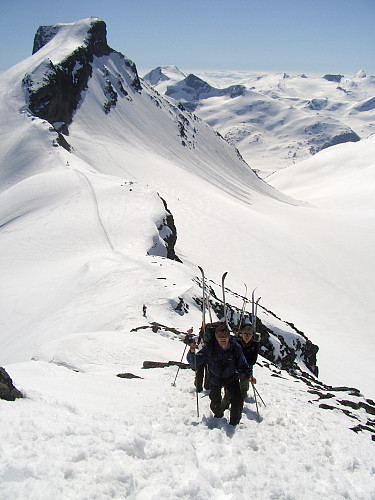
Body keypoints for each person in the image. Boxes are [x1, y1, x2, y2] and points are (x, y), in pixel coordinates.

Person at [186, 322, 253, 426]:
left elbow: (242, 362)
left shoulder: (235, 346)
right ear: (216, 337)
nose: (223, 339)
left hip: (231, 377)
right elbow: (195, 361)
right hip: (215, 378)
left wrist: (249, 375)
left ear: (228, 336)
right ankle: (218, 418)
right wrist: (191, 352)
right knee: (215, 403)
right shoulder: (210, 348)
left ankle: (234, 423)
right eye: (220, 336)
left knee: (238, 399)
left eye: (225, 336)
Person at [221, 325, 259, 410]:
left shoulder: (254, 345)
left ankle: (238, 406)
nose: (247, 336)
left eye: (249, 334)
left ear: (252, 335)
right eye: (245, 334)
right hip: (233, 368)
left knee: (243, 389)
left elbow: (253, 360)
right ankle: (224, 407)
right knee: (229, 390)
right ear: (241, 334)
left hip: (245, 369)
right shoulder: (235, 342)